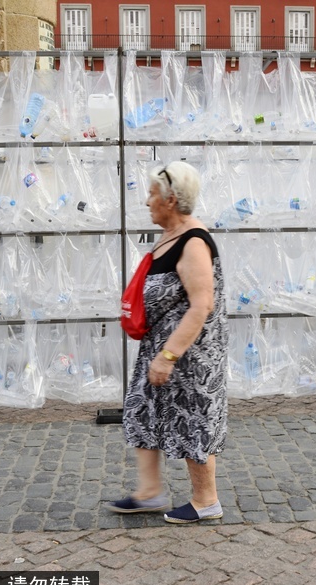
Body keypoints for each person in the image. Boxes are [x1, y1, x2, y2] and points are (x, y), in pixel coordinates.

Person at [107, 161, 229, 524]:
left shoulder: (193, 242)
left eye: (151, 194)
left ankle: (206, 501)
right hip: (159, 350)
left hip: (189, 358)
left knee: (193, 421)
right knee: (142, 411)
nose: (146, 201)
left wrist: (169, 355)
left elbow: (202, 305)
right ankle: (149, 492)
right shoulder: (169, 237)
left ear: (171, 200)